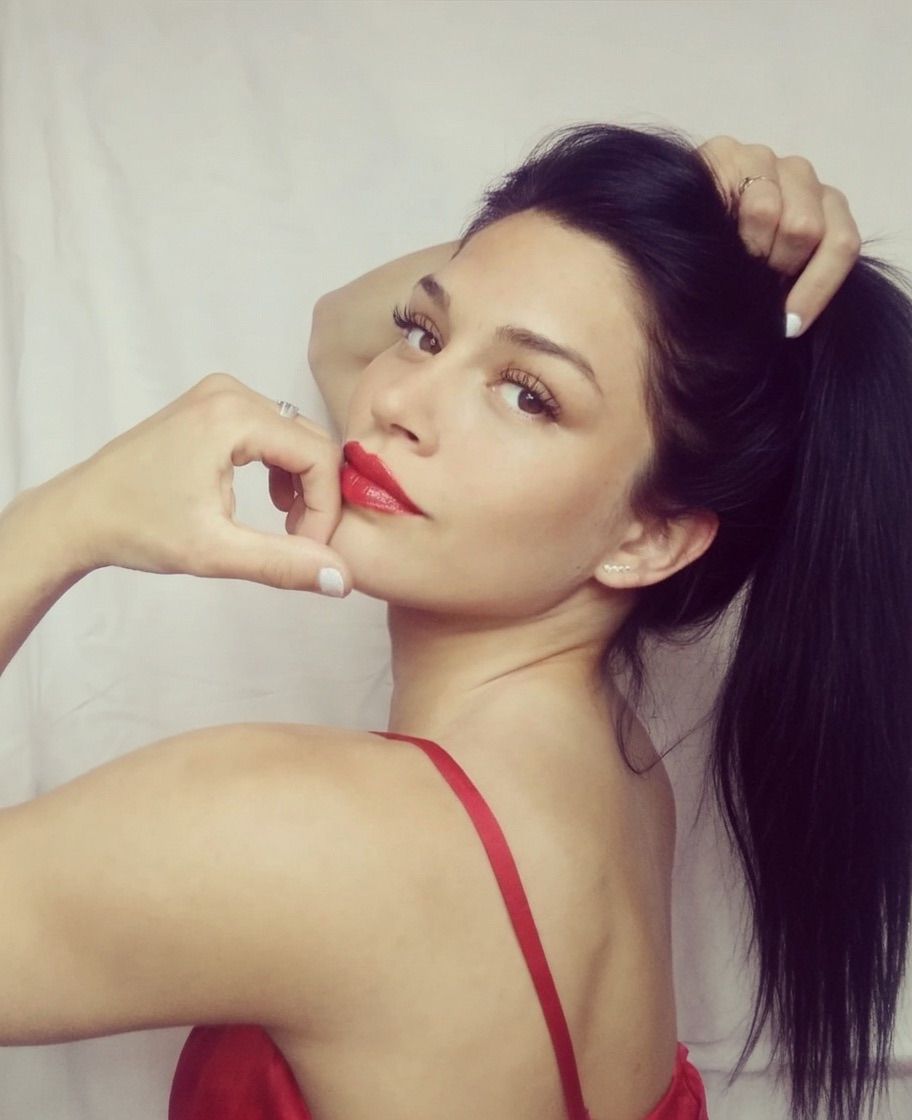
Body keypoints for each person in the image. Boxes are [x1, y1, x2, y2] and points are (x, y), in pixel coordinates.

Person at [0, 123, 907, 1120]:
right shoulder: (617, 783)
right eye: (426, 334)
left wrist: (67, 517)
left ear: (649, 538)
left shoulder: (316, 836)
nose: (397, 401)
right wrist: (691, 218)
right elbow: (341, 329)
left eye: (529, 396)